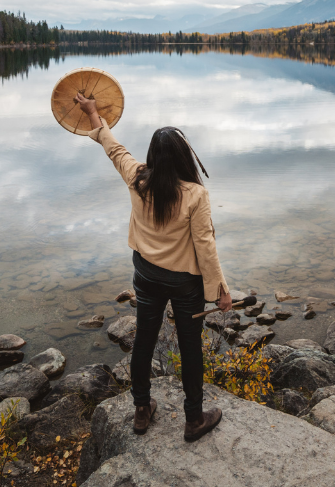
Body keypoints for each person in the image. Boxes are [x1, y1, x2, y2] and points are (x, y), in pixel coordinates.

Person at [75, 93, 232, 441]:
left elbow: (114, 149)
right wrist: (220, 291)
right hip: (184, 284)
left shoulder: (137, 178)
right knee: (190, 348)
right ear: (184, 157)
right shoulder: (195, 194)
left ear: (153, 156)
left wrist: (93, 113)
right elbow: (205, 245)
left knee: (144, 340)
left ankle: (142, 410)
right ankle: (194, 419)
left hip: (146, 275)